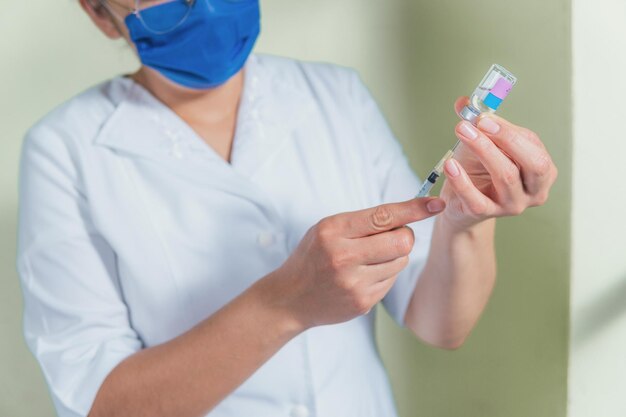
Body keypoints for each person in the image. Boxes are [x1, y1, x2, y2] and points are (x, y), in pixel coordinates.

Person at [15, 1, 558, 416]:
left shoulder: (335, 96)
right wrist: (286, 303)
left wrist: (465, 219)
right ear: (101, 14)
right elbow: (102, 403)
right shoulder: (65, 150)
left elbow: (441, 323)